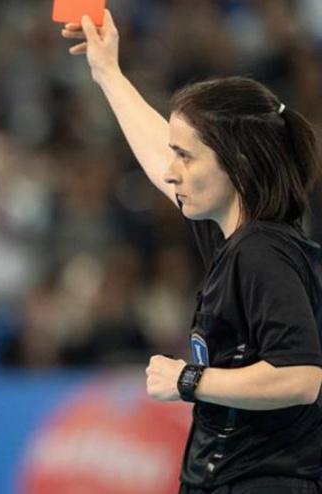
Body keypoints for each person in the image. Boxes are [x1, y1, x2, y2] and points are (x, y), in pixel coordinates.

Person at [64, 10, 322, 494]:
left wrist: (189, 380)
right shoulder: (233, 235)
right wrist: (108, 73)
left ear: (237, 164)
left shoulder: (261, 252)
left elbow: (300, 376)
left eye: (186, 156)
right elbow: (155, 153)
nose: (171, 171)